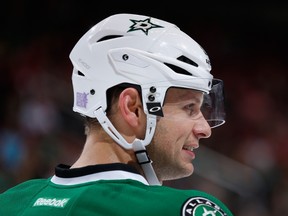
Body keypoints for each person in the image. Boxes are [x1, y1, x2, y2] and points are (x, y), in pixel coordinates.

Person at [0, 13, 233, 215]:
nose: (204, 129)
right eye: (189, 108)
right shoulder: (182, 209)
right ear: (132, 108)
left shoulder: (10, 202)